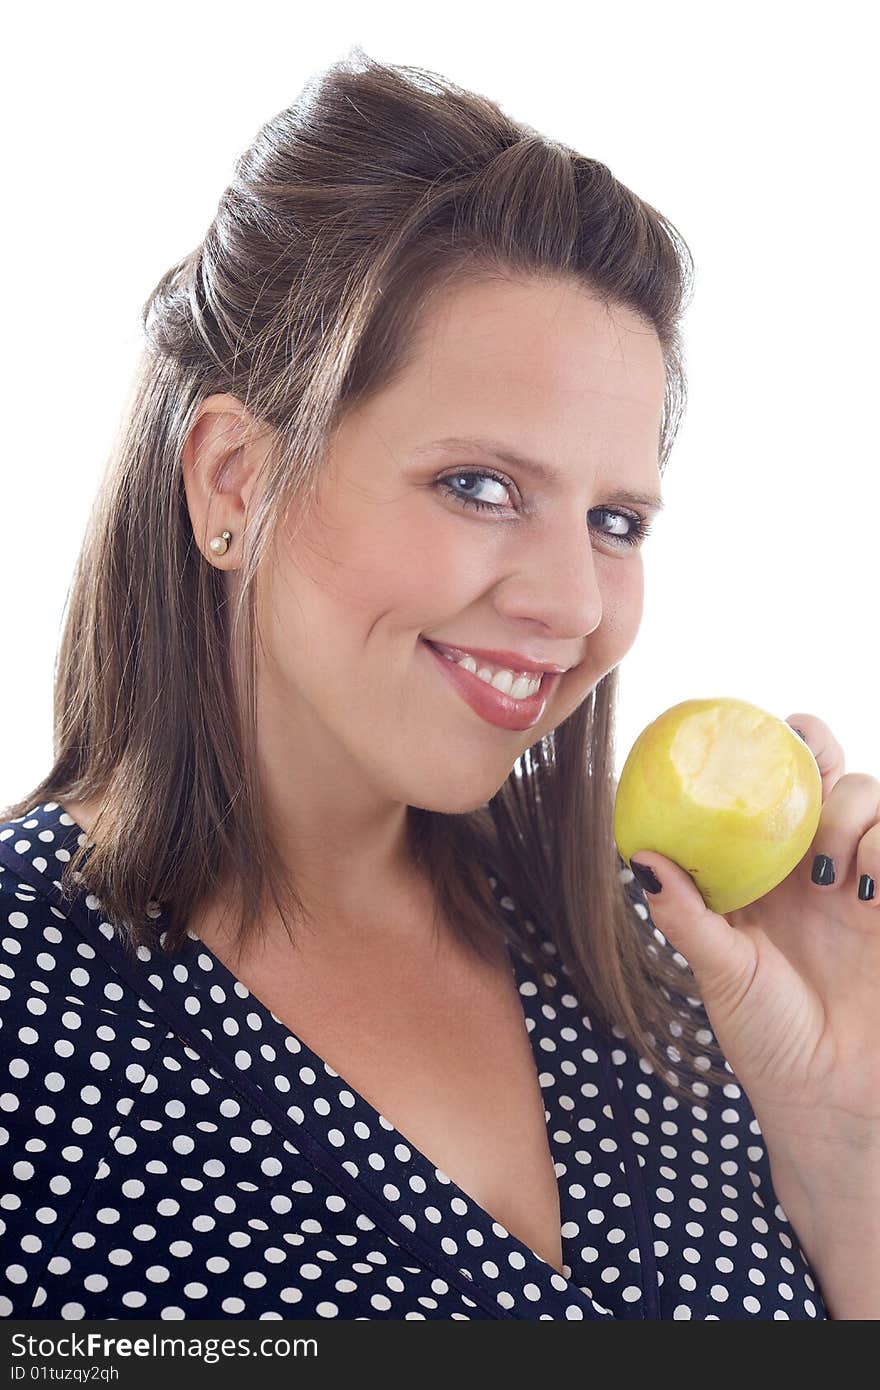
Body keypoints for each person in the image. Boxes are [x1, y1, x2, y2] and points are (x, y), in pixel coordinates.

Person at [1, 50, 877, 1323]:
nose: (575, 604)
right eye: (479, 487)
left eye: (616, 520)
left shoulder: (670, 975)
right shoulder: (28, 1017)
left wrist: (840, 1151)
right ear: (233, 480)